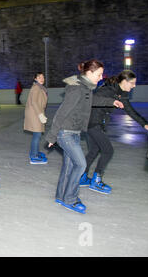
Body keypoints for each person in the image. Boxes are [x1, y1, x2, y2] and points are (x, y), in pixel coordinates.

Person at [45, 59, 124, 214]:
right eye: (99, 74)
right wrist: (52, 136)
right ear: (90, 72)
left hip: (74, 133)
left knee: (69, 166)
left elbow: (92, 100)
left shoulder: (86, 88)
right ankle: (71, 199)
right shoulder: (76, 89)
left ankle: (61, 196)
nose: (101, 77)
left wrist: (111, 101)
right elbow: (62, 112)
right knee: (80, 165)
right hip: (65, 133)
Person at [80, 70, 148, 194]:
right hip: (92, 123)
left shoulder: (121, 93)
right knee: (108, 151)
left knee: (94, 150)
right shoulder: (108, 90)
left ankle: (82, 177)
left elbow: (129, 110)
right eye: (132, 83)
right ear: (124, 82)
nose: (134, 86)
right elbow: (92, 99)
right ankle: (96, 181)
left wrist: (144, 124)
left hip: (97, 123)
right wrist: (110, 103)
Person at [24, 72, 48, 164]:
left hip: (36, 113)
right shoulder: (36, 88)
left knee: (36, 135)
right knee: (37, 135)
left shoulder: (40, 87)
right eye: (39, 77)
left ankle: (34, 152)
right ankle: (34, 156)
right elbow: (34, 102)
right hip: (35, 114)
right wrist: (40, 115)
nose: (42, 79)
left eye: (43, 77)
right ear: (35, 79)